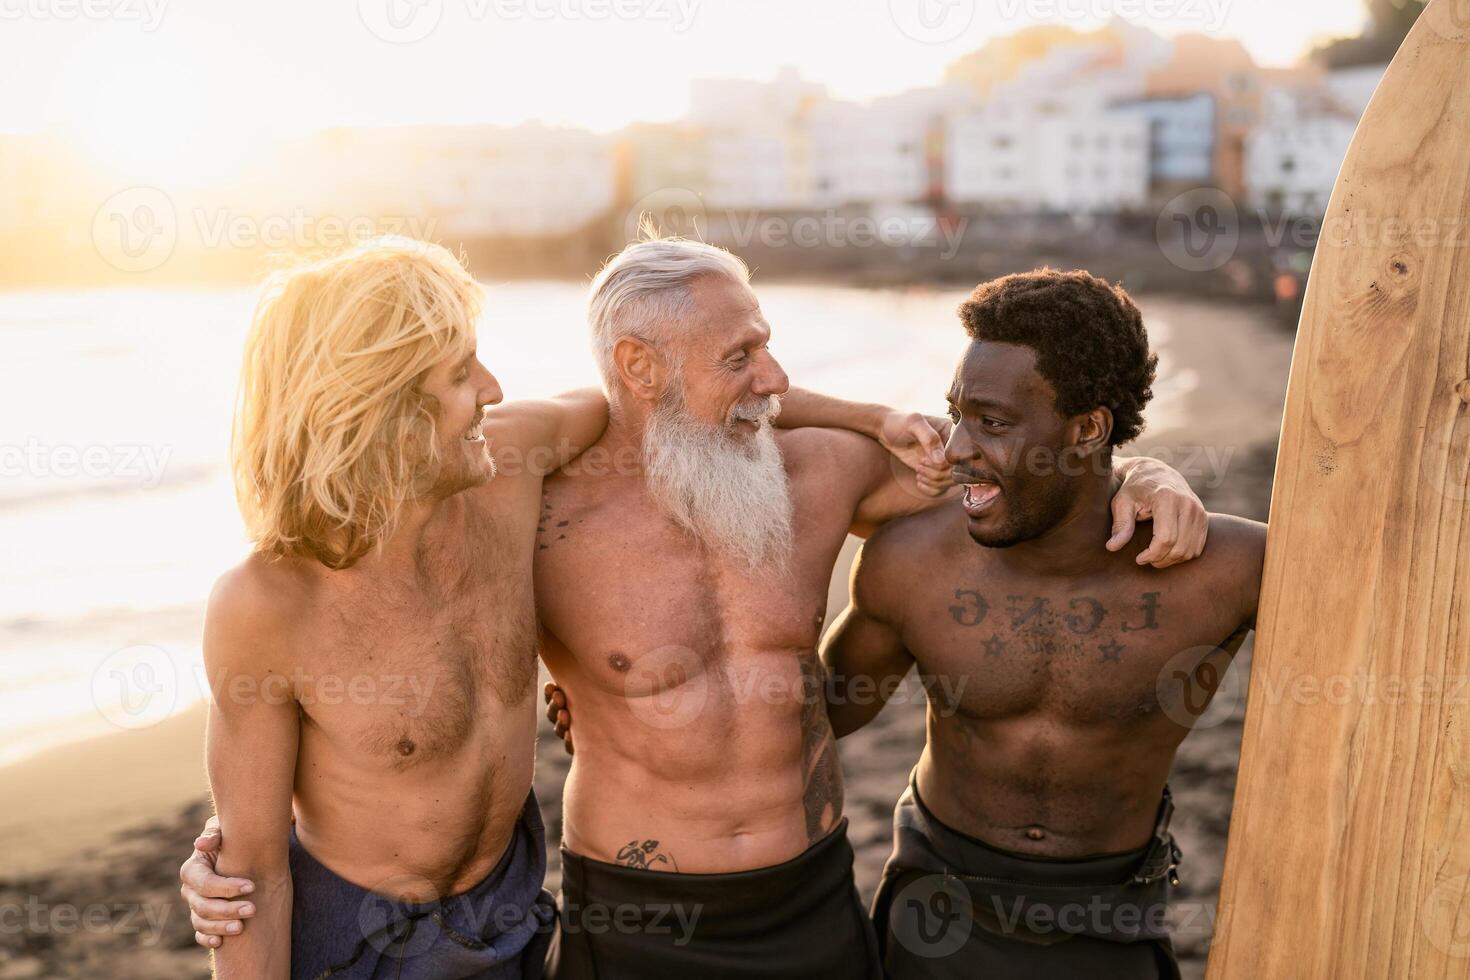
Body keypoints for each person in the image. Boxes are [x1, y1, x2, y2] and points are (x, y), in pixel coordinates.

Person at [182, 240, 1209, 979]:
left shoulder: (809, 472)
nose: (776, 376)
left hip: (794, 896)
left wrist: (1140, 472)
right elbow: (275, 836)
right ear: (638, 366)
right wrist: (228, 867)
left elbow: (1013, 482)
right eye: (740, 355)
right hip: (621, 919)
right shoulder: (526, 499)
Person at [821, 269, 1266, 979]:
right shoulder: (909, 558)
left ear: (1089, 428)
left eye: (993, 423)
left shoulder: (1229, 568)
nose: (959, 448)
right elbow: (817, 717)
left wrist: (1153, 473)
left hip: (1113, 923)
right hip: (937, 913)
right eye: (957, 413)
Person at [195, 237, 611, 978]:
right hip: (359, 950)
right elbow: (250, 877)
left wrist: (863, 420)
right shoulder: (268, 603)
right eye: (460, 374)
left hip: (512, 915)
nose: (493, 388)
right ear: (376, 409)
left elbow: (638, 399)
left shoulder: (509, 468)